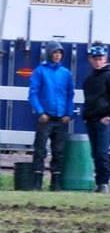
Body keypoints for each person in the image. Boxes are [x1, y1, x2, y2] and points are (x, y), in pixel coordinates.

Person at [28, 40, 75, 190]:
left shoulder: (66, 73)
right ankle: (37, 182)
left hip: (60, 118)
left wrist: (69, 113)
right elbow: (33, 93)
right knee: (40, 150)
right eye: (55, 53)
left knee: (58, 151)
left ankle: (56, 183)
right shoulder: (40, 71)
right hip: (45, 118)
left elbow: (70, 95)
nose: (58, 56)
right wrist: (40, 111)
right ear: (49, 54)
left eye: (60, 53)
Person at [81, 42, 110, 194]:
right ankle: (99, 182)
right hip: (91, 119)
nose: (98, 61)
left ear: (105, 59)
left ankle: (104, 182)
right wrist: (86, 115)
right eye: (95, 58)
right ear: (90, 60)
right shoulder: (90, 79)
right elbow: (88, 99)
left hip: (103, 120)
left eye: (100, 58)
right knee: (95, 152)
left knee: (102, 152)